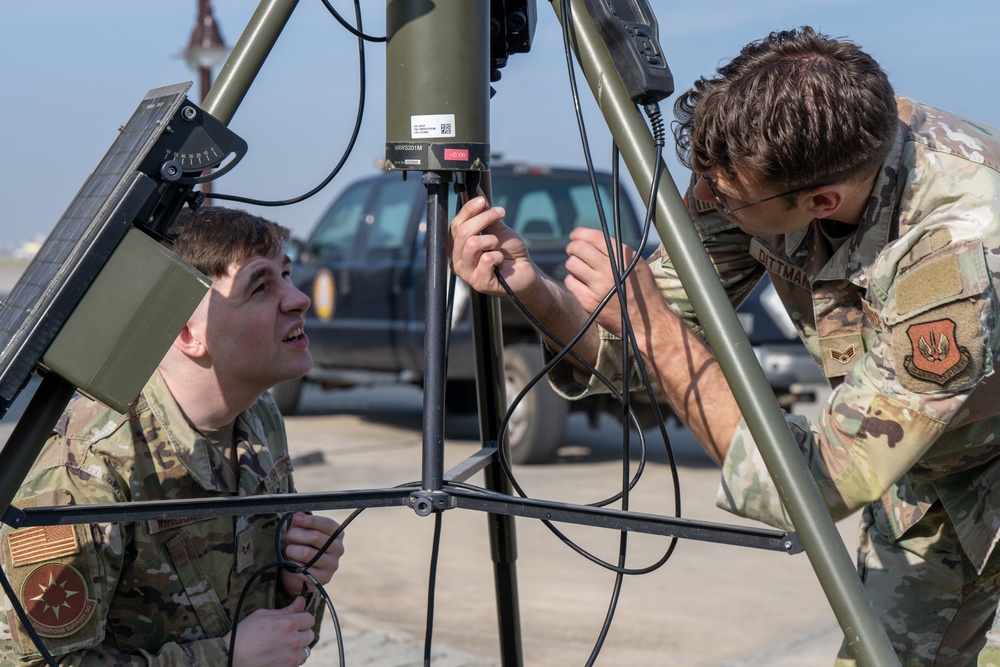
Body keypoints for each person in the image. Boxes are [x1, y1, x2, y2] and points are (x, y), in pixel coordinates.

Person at [449, 26, 1000, 667]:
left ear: (822, 201)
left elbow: (817, 484)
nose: (703, 199)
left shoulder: (958, 250)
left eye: (723, 195)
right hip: (928, 476)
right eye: (701, 178)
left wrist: (653, 327)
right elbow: (648, 338)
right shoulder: (773, 156)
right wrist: (536, 291)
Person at [0, 206, 344, 666]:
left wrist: (297, 581)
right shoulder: (87, 468)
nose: (298, 298)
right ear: (187, 331)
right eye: (261, 286)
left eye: (287, 274)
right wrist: (223, 660)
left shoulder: (256, 414)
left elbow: (267, 638)